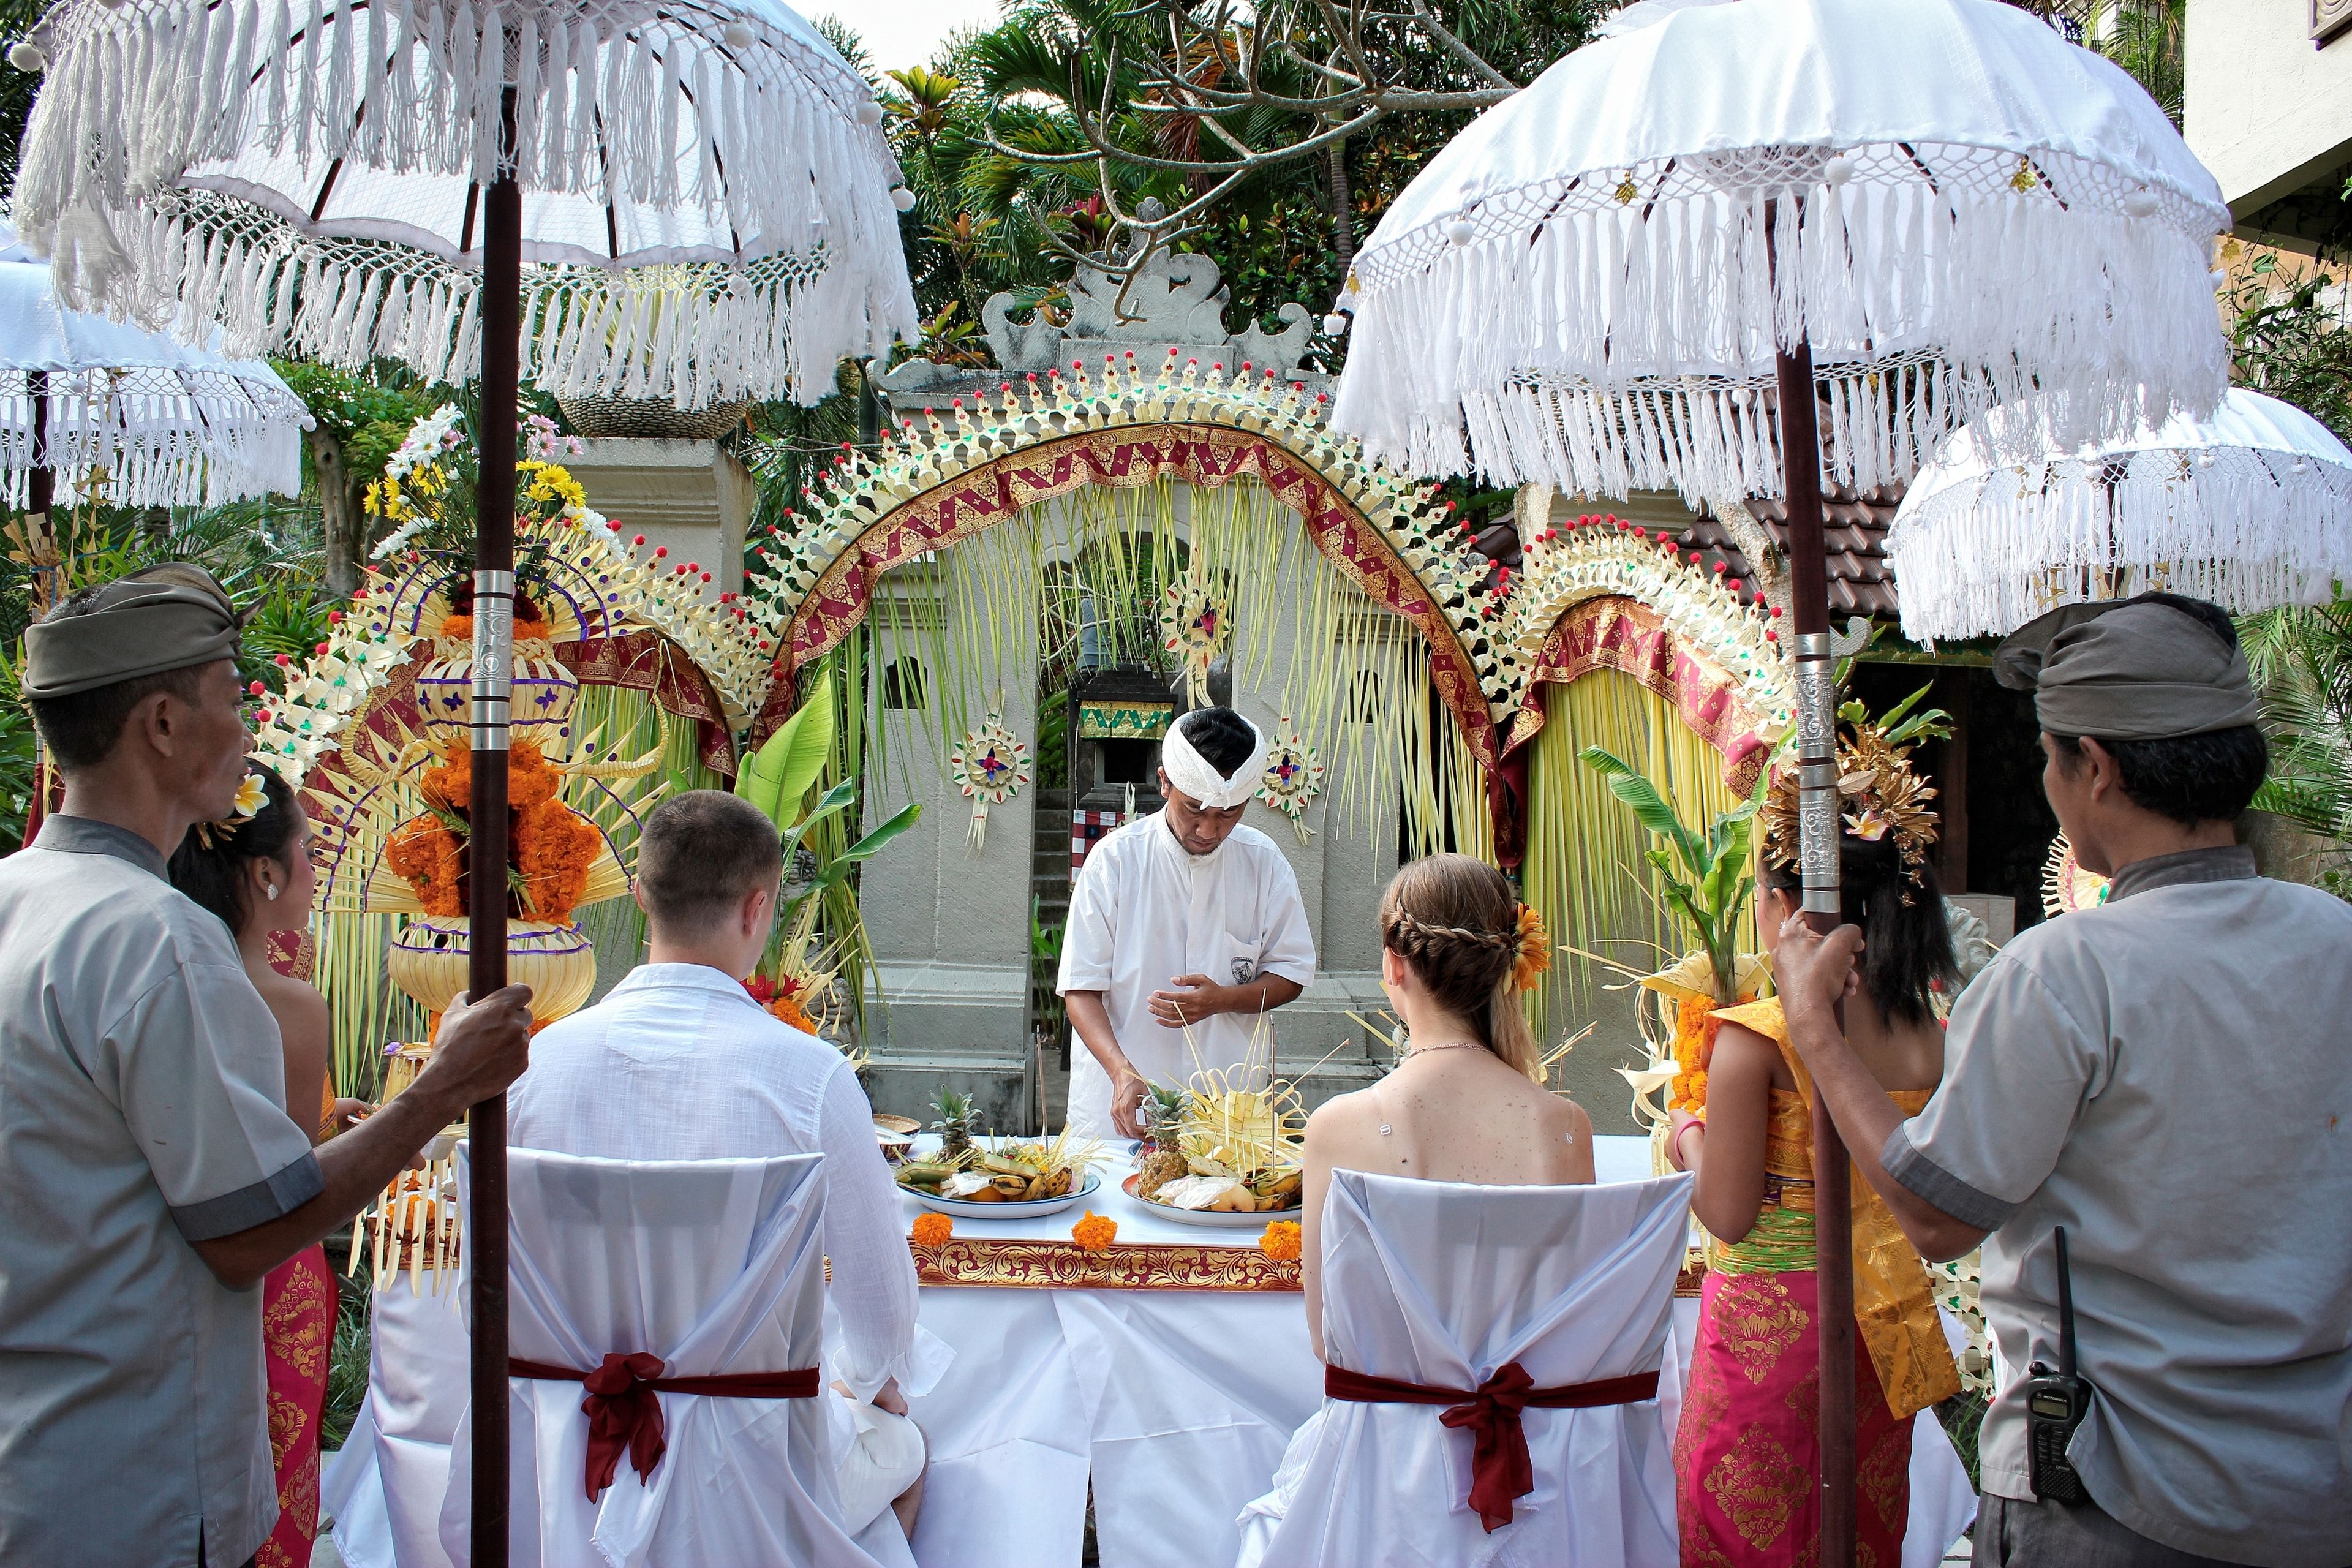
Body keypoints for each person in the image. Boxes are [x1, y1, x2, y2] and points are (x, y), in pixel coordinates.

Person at [1772, 594, 2352, 1568]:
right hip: (2316, 1481)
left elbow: (1937, 1213)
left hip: (2117, 1488)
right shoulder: (2336, 940)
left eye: (2048, 755)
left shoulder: (2063, 973)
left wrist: (1817, 1038)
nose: (2045, 779)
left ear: (2100, 767)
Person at [0, 564, 533, 1568]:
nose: (247, 731)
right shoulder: (153, 934)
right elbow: (250, 1229)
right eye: (232, 700)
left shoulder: (19, 895)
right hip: (137, 1487)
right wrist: (443, 1088)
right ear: (162, 724)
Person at [507, 789, 928, 1554]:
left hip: (565, 1454)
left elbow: (492, 1292)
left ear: (639, 897)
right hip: (753, 1450)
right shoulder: (810, 1076)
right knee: (907, 1449)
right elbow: (879, 1306)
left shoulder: (537, 1065)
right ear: (758, 908)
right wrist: (868, 1384)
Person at [1665, 722, 1962, 1567]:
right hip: (1884, 1314)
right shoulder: (1929, 1034)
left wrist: (1685, 1133)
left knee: (1742, 1530)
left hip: (1770, 1322)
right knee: (1860, 1530)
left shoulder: (1755, 1038)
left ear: (1789, 909)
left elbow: (1726, 1212)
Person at [167, 767, 365, 1568]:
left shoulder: (174, 976)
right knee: (271, 1473)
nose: (317, 872)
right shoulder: (288, 1004)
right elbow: (287, 1185)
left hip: (177, 1267)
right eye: (310, 853)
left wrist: (330, 1119)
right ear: (264, 873)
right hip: (274, 1274)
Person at [1296, 853, 1590, 1355]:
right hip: (1534, 1426)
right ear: (1509, 964)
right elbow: (1571, 1324)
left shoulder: (1337, 1127)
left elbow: (1329, 1339)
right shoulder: (1564, 1124)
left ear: (1394, 963)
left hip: (1388, 1424)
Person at [1058, 707, 1317, 1138]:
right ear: (1164, 782)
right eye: (1194, 809)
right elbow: (1080, 988)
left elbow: (1291, 974)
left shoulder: (1265, 864)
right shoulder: (1114, 862)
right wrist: (1122, 1073)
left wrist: (1222, 1000)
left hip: (1227, 1109)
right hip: (1121, 1108)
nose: (1209, 829)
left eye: (1229, 814)